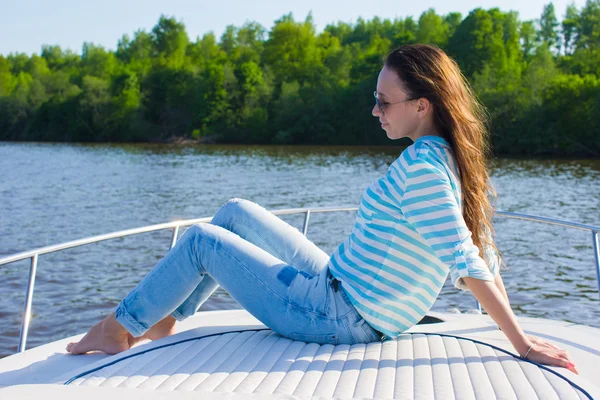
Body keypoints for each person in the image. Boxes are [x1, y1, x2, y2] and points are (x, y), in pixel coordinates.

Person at [67, 44, 578, 374]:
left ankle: (120, 327)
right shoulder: (442, 157)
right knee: (236, 211)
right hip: (340, 285)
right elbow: (480, 250)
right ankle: (168, 316)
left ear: (422, 105)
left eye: (384, 101)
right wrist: (520, 333)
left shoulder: (424, 169)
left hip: (340, 315)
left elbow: (466, 259)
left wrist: (521, 343)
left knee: (202, 241)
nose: (374, 111)